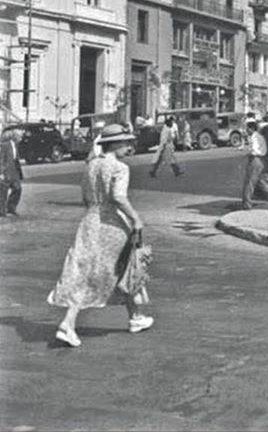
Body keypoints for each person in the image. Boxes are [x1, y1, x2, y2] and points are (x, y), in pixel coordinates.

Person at [47, 124, 153, 347]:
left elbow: (85, 197)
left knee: (85, 269)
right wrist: (135, 218)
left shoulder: (91, 165)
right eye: (126, 142)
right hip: (112, 224)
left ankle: (134, 317)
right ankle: (69, 323)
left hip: (89, 221)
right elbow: (118, 196)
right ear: (115, 144)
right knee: (124, 268)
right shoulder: (120, 167)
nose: (129, 147)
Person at [239, 119, 268, 210]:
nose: (246, 131)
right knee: (260, 182)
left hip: (255, 160)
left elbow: (254, 150)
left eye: (247, 129)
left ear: (251, 128)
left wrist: (248, 153)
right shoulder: (258, 136)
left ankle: (246, 204)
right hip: (260, 161)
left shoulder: (254, 137)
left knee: (249, 182)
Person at [0, 129, 23, 217]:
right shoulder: (5, 145)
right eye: (20, 136)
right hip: (6, 172)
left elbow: (16, 160)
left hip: (14, 172)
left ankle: (11, 208)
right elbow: (1, 159)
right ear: (15, 136)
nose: (21, 138)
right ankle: (1, 211)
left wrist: (19, 173)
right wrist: (1, 173)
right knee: (3, 192)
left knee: (18, 189)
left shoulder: (16, 146)